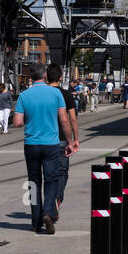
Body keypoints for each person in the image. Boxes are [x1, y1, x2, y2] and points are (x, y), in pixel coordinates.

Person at [13, 64, 76, 235]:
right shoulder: (55, 93)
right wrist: (69, 142)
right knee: (52, 179)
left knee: (33, 181)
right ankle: (48, 211)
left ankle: (35, 221)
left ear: (31, 77)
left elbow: (17, 122)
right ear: (45, 76)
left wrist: (29, 116)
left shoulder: (24, 95)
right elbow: (64, 121)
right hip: (51, 144)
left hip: (31, 144)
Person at [48, 64, 78, 217]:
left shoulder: (43, 93)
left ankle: (47, 203)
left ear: (47, 77)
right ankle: (57, 199)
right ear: (61, 77)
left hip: (45, 139)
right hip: (61, 139)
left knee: (47, 174)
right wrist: (74, 139)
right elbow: (71, 119)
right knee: (62, 172)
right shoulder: (66, 95)